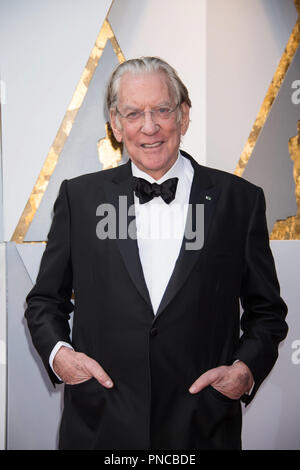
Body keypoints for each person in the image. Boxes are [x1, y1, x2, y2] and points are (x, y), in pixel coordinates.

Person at [25, 57, 288, 450]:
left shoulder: (240, 201)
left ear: (183, 115)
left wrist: (243, 372)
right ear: (116, 124)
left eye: (162, 110)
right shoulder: (78, 199)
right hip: (101, 425)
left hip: (203, 427)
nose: (149, 127)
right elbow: (45, 301)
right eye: (133, 113)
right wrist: (61, 356)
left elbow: (266, 312)